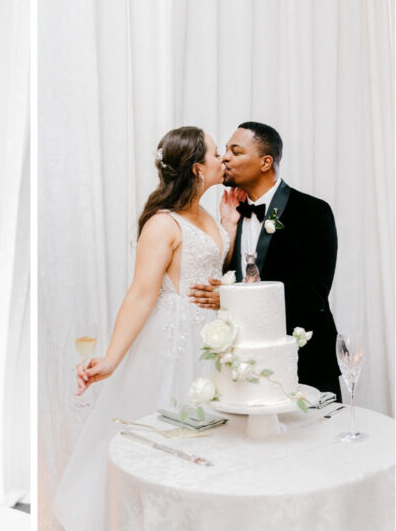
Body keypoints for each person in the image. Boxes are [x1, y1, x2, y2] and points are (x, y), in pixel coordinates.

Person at [53, 126, 228, 531]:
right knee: (165, 442)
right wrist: (112, 358)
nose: (223, 160)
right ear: (198, 169)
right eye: (216, 153)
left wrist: (229, 224)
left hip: (212, 342)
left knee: (212, 442)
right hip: (173, 344)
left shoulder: (206, 215)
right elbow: (141, 295)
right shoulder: (162, 224)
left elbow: (207, 265)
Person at [189, 122, 341, 397]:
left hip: (304, 363)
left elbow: (312, 294)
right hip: (241, 366)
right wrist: (229, 229)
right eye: (224, 151)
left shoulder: (313, 212)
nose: (225, 158)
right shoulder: (229, 216)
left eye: (235, 151)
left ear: (265, 162)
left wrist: (232, 297)